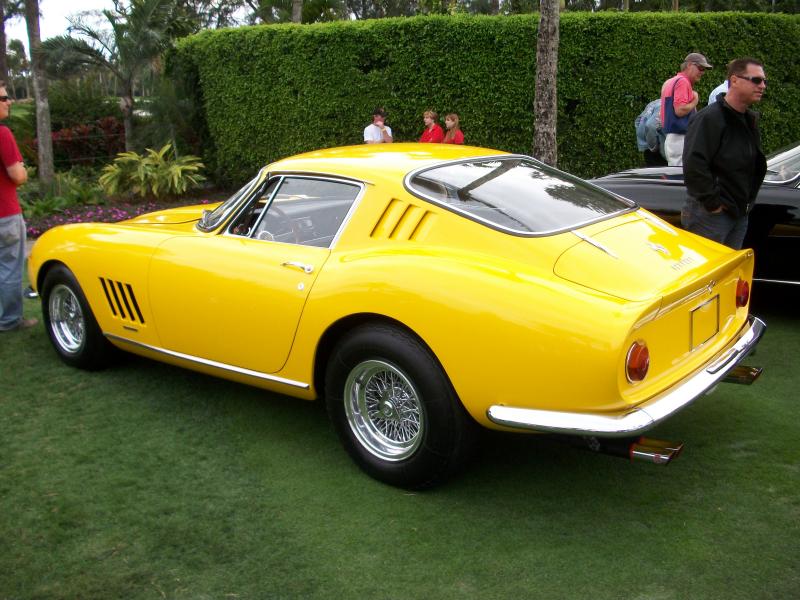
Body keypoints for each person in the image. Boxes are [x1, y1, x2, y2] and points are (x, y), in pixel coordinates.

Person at [681, 58, 767, 249]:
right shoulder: (709, 118)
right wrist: (712, 203)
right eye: (756, 80)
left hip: (738, 213)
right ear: (734, 80)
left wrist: (746, 203)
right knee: (707, 265)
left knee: (730, 268)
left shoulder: (748, 120)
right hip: (710, 215)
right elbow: (694, 164)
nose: (762, 86)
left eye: (764, 81)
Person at [0, 81, 33, 332]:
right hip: (5, 214)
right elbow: (18, 175)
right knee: (10, 268)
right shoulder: (3, 134)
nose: (9, 101)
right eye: (3, 98)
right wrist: (23, 170)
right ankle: (10, 320)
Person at [660, 52, 712, 166]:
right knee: (681, 173)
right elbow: (680, 110)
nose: (702, 72)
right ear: (689, 65)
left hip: (672, 137)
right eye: (700, 68)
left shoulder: (671, 81)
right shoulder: (683, 82)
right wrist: (695, 101)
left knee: (676, 172)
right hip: (680, 138)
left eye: (704, 69)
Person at [634, 99, 667, 166]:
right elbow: (650, 125)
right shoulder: (666, 104)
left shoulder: (654, 103)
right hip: (657, 149)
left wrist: (643, 142)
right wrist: (654, 147)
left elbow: (637, 121)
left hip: (647, 147)